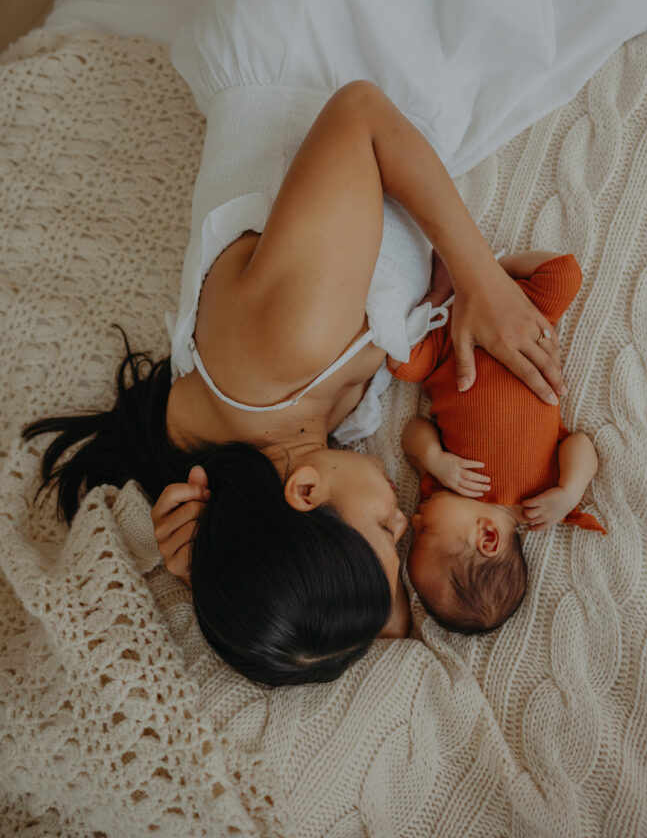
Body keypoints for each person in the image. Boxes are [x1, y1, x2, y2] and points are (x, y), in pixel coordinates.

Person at [24, 81, 567, 686]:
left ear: (306, 494)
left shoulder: (286, 347)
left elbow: (359, 111)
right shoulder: (270, 456)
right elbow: (370, 612)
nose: (406, 520)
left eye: (385, 533)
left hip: (323, 48)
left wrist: (481, 277)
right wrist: (225, 569)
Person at [387, 250, 605, 635]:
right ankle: (484, 277)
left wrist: (434, 457)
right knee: (565, 275)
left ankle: (454, 289)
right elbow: (581, 446)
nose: (414, 519)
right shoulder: (539, 504)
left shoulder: (440, 486)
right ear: (487, 536)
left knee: (402, 363)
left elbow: (412, 432)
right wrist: (570, 491)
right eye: (426, 533)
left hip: (449, 346)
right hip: (521, 323)